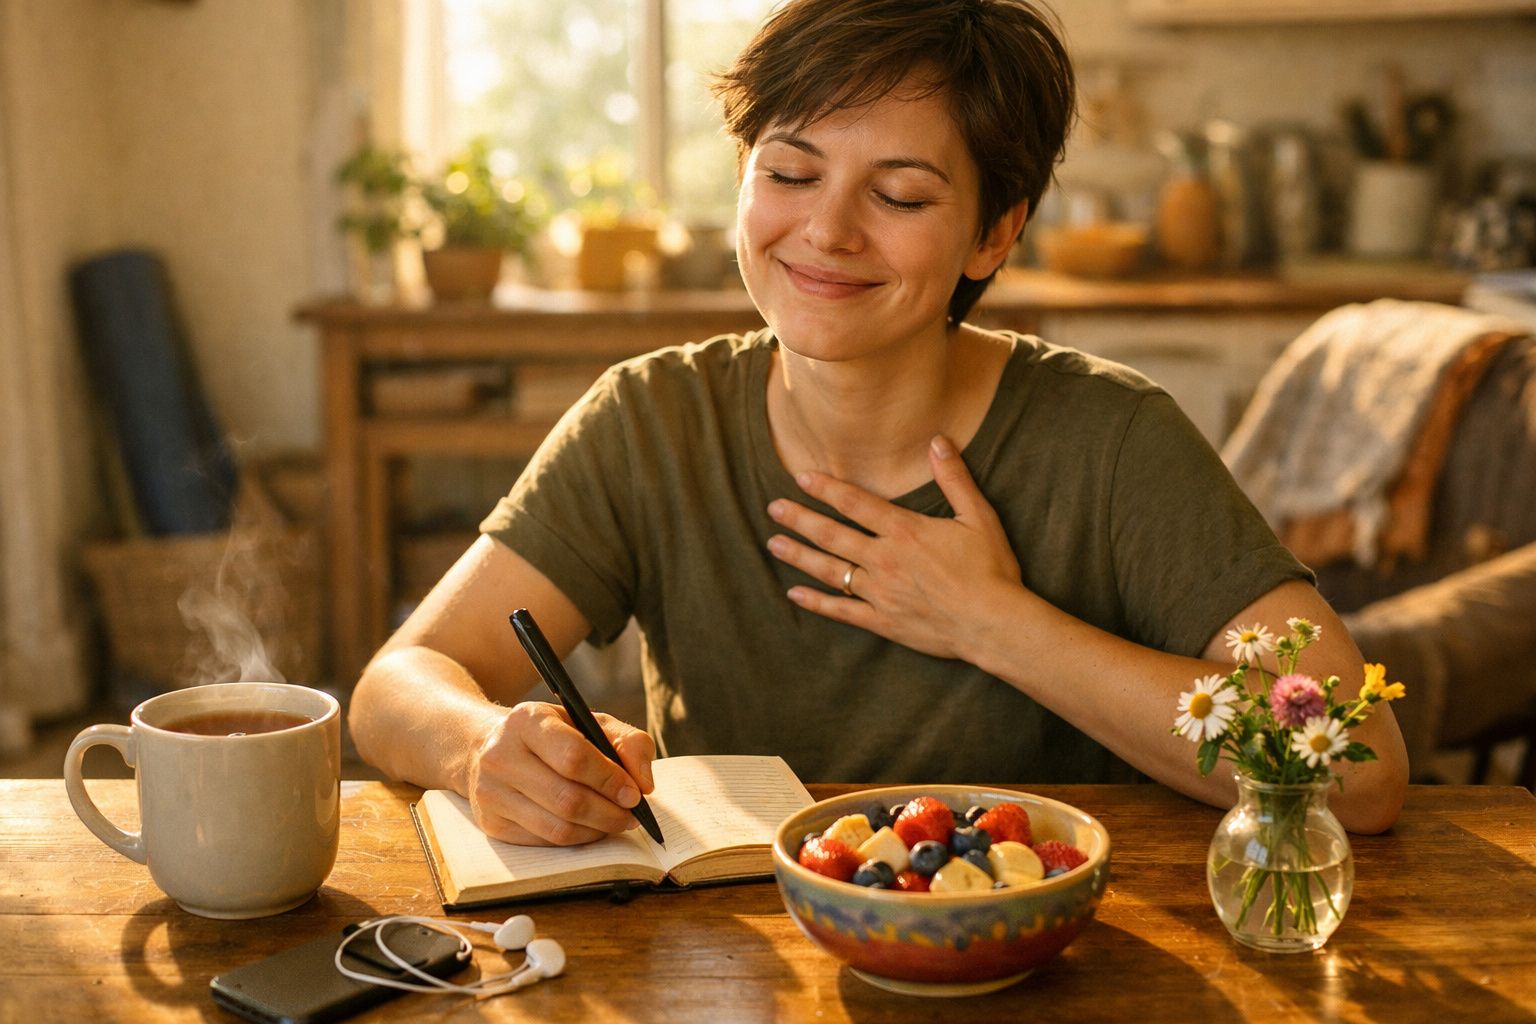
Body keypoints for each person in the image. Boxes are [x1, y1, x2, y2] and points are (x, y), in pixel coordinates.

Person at [349, 0, 1408, 845]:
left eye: (898, 196)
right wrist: (480, 745)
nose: (824, 231)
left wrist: (995, 623)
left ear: (995, 233)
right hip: (736, 967)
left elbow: (1360, 770)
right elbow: (397, 687)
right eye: (791, 171)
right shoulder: (651, 421)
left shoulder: (1112, 438)